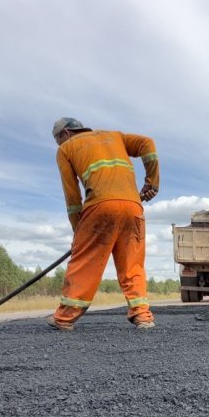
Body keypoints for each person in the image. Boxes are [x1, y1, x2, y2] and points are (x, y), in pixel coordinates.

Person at [46, 118, 160, 331]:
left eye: (57, 139)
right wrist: (152, 182)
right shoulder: (115, 136)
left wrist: (78, 230)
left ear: (66, 134)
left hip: (99, 206)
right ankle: (142, 316)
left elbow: (72, 197)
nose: (58, 144)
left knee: (85, 261)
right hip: (133, 207)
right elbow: (148, 144)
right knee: (132, 264)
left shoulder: (66, 149)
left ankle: (65, 317)